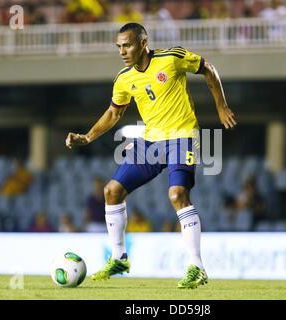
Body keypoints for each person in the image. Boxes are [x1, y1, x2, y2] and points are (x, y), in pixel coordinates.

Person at [66, 22, 236, 289]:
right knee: (111, 190)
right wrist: (87, 137)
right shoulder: (124, 78)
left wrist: (221, 106)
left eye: (128, 45)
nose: (123, 51)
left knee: (177, 194)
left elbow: (208, 69)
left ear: (143, 43)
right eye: (119, 46)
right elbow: (114, 113)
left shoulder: (172, 58)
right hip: (151, 142)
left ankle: (197, 266)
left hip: (182, 136)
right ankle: (119, 257)